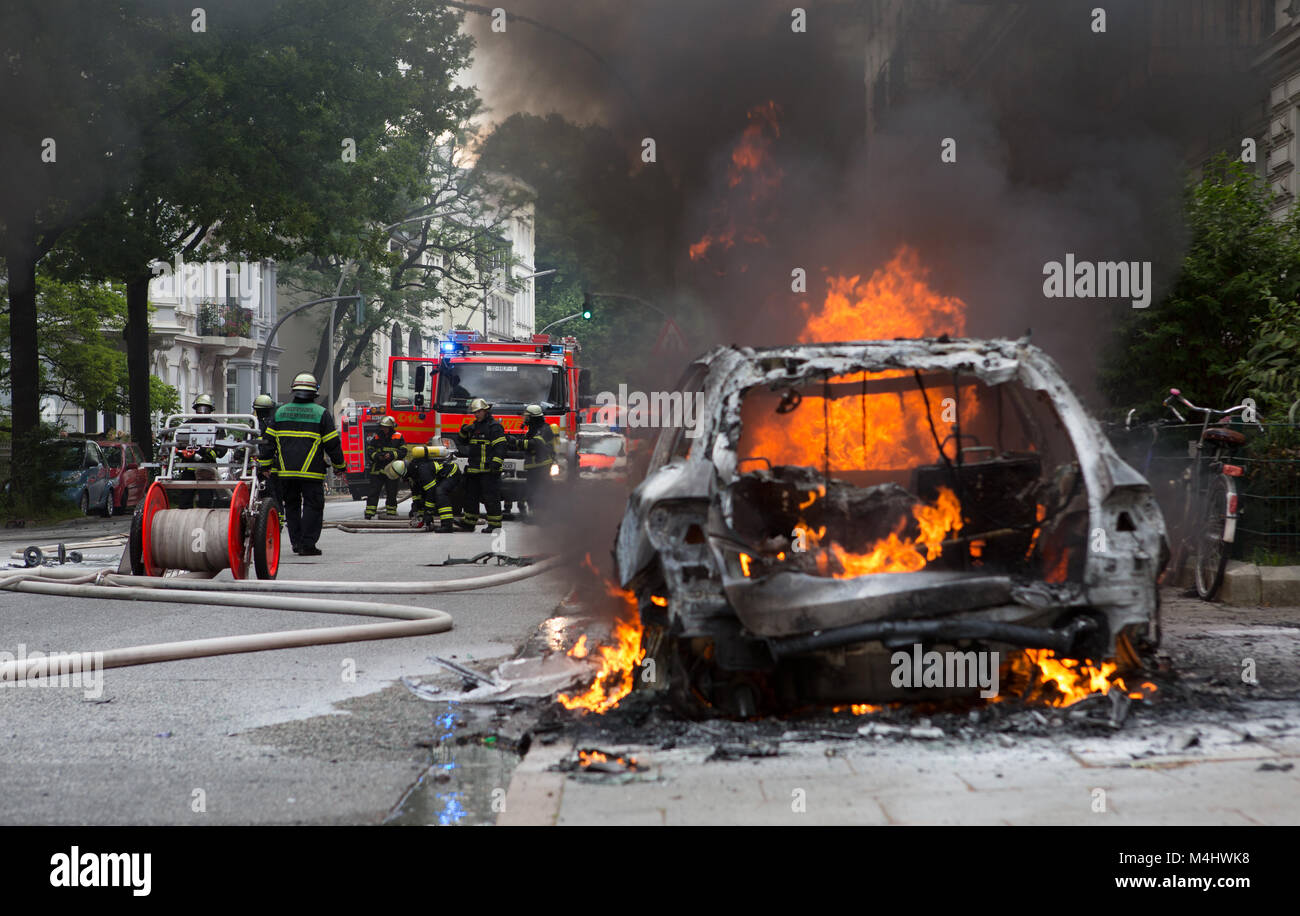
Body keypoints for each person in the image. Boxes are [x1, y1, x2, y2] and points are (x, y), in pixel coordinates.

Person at [260, 372, 345, 556]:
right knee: (312, 506)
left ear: (294, 391)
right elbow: (332, 444)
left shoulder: (280, 412)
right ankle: (308, 544)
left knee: (291, 506)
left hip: (286, 472)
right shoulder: (321, 414)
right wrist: (340, 466)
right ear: (314, 393)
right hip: (312, 473)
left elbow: (268, 442)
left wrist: (265, 465)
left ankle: (296, 543)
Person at [458, 398, 506, 532]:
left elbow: (501, 447)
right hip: (474, 470)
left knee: (491, 498)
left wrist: (496, 462)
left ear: (485, 411)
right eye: (475, 412)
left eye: (478, 412)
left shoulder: (494, 427)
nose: (476, 415)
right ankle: (469, 522)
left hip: (488, 471)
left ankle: (495, 524)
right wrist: (463, 431)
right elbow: (462, 442)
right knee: (470, 497)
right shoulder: (474, 427)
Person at [173, 393, 225, 509]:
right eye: (200, 408)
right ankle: (184, 525)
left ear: (210, 410)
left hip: (207, 469)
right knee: (185, 503)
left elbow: (222, 451)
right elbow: (179, 447)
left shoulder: (216, 426)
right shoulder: (187, 425)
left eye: (205, 409)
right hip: (189, 469)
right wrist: (186, 453)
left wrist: (207, 452)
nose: (202, 412)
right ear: (195, 409)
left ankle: (204, 524)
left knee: (205, 502)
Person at [401, 446, 462, 532]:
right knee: (434, 493)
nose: (403, 480)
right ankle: (437, 523)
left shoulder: (422, 471)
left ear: (406, 473)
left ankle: (447, 525)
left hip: (452, 472)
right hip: (442, 477)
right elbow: (417, 496)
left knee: (440, 492)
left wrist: (428, 512)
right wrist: (416, 509)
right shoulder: (413, 477)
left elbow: (431, 492)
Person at [515, 404, 555, 520]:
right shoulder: (532, 430)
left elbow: (535, 444)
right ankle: (533, 514)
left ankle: (539, 516)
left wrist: (517, 442)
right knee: (531, 490)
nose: (525, 419)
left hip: (542, 466)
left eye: (527, 417)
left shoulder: (544, 429)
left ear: (532, 417)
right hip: (533, 467)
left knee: (539, 490)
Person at [364, 415, 406, 519]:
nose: (383, 429)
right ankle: (369, 512)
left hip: (391, 469)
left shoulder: (398, 436)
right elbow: (369, 450)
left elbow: (403, 451)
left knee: (391, 492)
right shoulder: (377, 437)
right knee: (373, 492)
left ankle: (391, 513)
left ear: (391, 427)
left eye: (385, 427)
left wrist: (391, 455)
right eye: (382, 426)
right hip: (377, 469)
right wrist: (377, 456)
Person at [252, 394, 280, 506]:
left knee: (267, 497)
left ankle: (276, 520)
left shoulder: (253, 425)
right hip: (271, 469)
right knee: (274, 497)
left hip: (264, 469)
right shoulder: (272, 424)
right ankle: (278, 520)